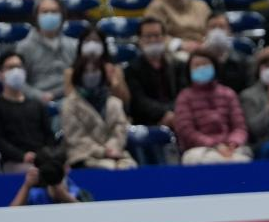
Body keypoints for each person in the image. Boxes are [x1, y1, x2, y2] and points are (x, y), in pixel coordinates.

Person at [61, 38, 137, 170]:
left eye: (95, 71)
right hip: (83, 155)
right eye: (87, 71)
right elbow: (76, 138)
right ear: (79, 75)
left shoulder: (114, 102)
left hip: (115, 153)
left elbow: (120, 129)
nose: (91, 75)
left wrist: (112, 148)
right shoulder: (70, 104)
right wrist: (102, 151)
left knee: (129, 166)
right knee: (107, 167)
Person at [173, 49, 252, 164]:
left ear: (214, 66)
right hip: (199, 149)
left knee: (244, 161)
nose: (201, 68)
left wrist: (233, 143)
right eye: (196, 65)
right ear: (189, 71)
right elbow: (187, 131)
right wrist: (214, 145)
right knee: (209, 161)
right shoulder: (184, 97)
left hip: (230, 148)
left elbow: (240, 127)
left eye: (205, 64)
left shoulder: (228, 94)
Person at [0, 52, 57, 173]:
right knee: (36, 172)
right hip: (15, 162)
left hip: (42, 158)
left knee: (61, 168)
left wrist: (45, 154)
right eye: (10, 67)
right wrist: (22, 156)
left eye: (19, 67)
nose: (16, 71)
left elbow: (49, 135)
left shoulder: (37, 104)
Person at [126, 17, 189, 127]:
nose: (153, 40)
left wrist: (172, 114)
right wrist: (164, 114)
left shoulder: (178, 65)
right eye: (148, 36)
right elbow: (139, 101)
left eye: (157, 35)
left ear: (164, 38)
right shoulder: (131, 69)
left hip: (178, 116)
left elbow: (183, 94)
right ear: (140, 40)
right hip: (147, 121)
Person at [15, 0, 78, 103]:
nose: (49, 15)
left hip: (70, 100)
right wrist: (39, 96)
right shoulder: (24, 47)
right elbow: (19, 82)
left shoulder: (74, 45)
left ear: (62, 16)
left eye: (54, 12)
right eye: (44, 12)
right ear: (36, 16)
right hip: (38, 103)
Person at [63, 27, 131, 106]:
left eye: (96, 41)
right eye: (87, 41)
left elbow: (126, 101)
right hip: (81, 112)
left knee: (113, 104)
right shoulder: (70, 73)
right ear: (81, 46)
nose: (92, 45)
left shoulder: (114, 70)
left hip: (106, 112)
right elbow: (71, 101)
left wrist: (114, 84)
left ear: (103, 46)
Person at [9, 147, 93, 206]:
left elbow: (91, 218)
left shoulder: (79, 193)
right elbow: (11, 218)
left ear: (67, 168)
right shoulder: (34, 196)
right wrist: (26, 186)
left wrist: (66, 197)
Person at [204, 11, 253, 93]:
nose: (217, 32)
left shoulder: (243, 62)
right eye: (212, 27)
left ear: (229, 32)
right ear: (205, 31)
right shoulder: (196, 61)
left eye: (221, 27)